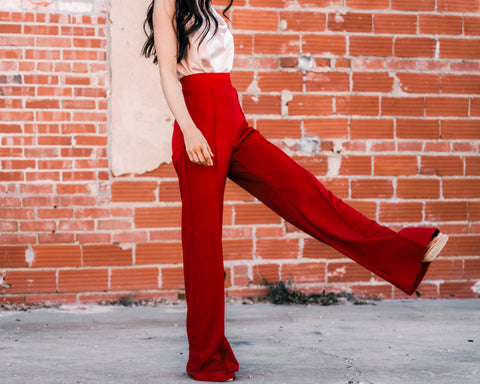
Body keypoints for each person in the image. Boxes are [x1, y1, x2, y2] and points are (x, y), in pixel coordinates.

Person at [142, 0, 449, 381]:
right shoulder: (169, 4)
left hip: (232, 118)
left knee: (305, 193)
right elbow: (169, 75)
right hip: (198, 119)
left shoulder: (215, 4)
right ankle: (206, 359)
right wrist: (189, 130)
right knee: (204, 244)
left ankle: (405, 253)